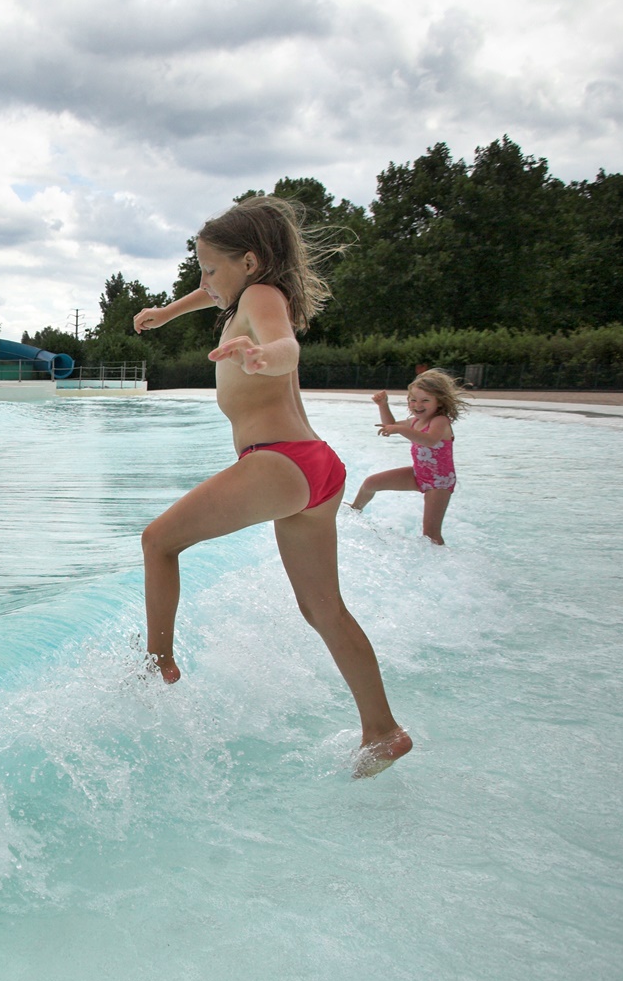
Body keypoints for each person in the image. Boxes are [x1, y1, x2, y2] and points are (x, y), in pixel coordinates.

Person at [132, 195, 410, 777]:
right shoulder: (241, 292)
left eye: (210, 268)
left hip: (278, 461)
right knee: (323, 608)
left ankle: (156, 666)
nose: (204, 280)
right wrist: (166, 312)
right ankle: (382, 731)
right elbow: (211, 294)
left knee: (158, 542)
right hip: (315, 469)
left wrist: (264, 357)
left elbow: (287, 345)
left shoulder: (260, 300)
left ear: (250, 263)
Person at [349, 371, 468, 545]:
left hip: (439, 482)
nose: (417, 405)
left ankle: (442, 562)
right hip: (418, 475)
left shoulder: (440, 421)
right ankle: (353, 512)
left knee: (431, 535)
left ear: (439, 401)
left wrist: (400, 430)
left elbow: (429, 440)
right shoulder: (414, 422)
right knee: (370, 483)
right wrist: (383, 405)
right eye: (413, 400)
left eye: (425, 400)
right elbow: (391, 424)